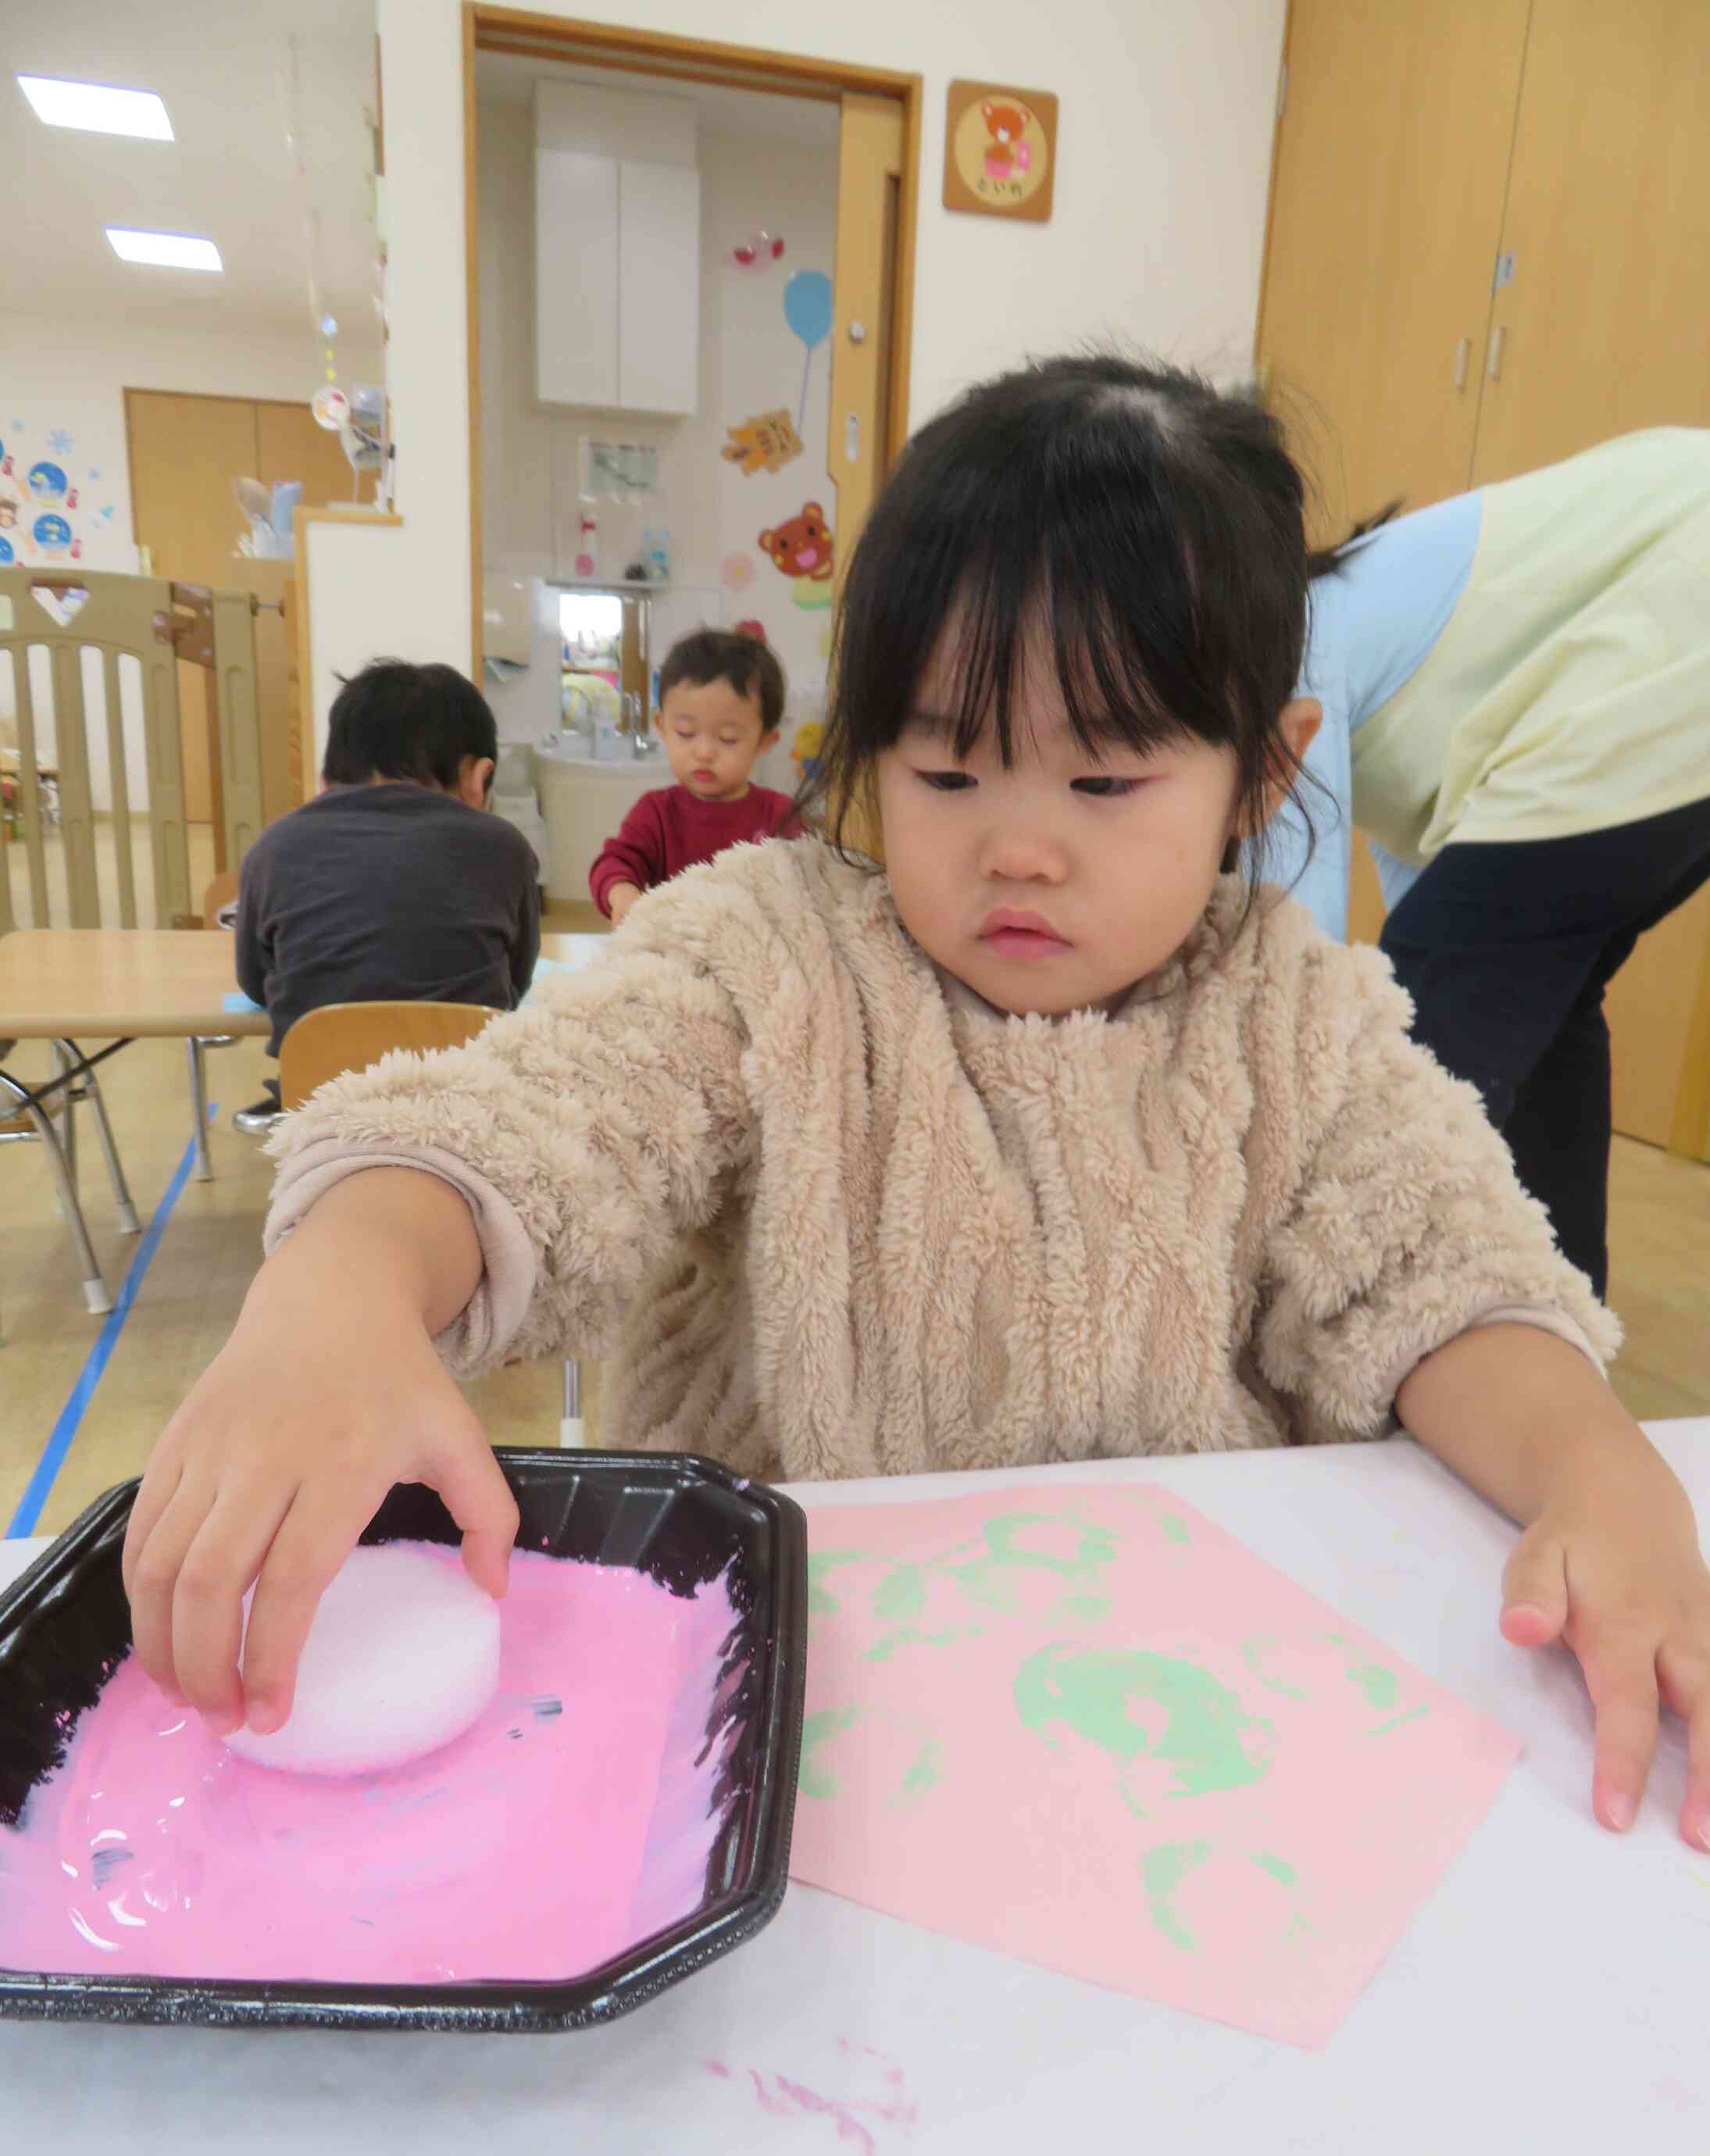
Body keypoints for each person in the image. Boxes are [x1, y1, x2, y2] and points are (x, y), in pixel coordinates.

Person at [127, 356, 1710, 1851]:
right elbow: (530, 1128)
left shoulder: (1289, 1010)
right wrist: (339, 1288)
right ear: (861, 755)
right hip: (795, 1729)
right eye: (945, 773)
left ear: (1256, 774)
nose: (1017, 846)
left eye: (1102, 784)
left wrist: (1589, 1465)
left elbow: (1438, 1279)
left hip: (1173, 1733)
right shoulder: (764, 950)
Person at [1268, 428, 1710, 1298]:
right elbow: (1436, 890)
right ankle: (1561, 1307)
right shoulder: (1360, 624)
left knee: (1409, 1066)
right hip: (1664, 636)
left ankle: (1351, 1362)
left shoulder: (1275, 651)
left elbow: (1292, 956)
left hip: (1673, 626)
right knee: (1530, 1011)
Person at [231, 659, 540, 1131]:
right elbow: (515, 985)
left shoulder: (272, 850)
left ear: (325, 780)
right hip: (468, 1114)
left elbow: (255, 984)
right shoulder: (506, 849)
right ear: (478, 779)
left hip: (323, 1115)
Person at [589, 628, 794, 923]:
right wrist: (622, 892)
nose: (704, 752)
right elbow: (615, 862)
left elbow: (808, 887)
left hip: (754, 956)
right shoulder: (656, 813)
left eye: (728, 738)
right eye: (686, 733)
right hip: (675, 950)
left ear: (764, 742)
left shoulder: (781, 816)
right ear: (662, 727)